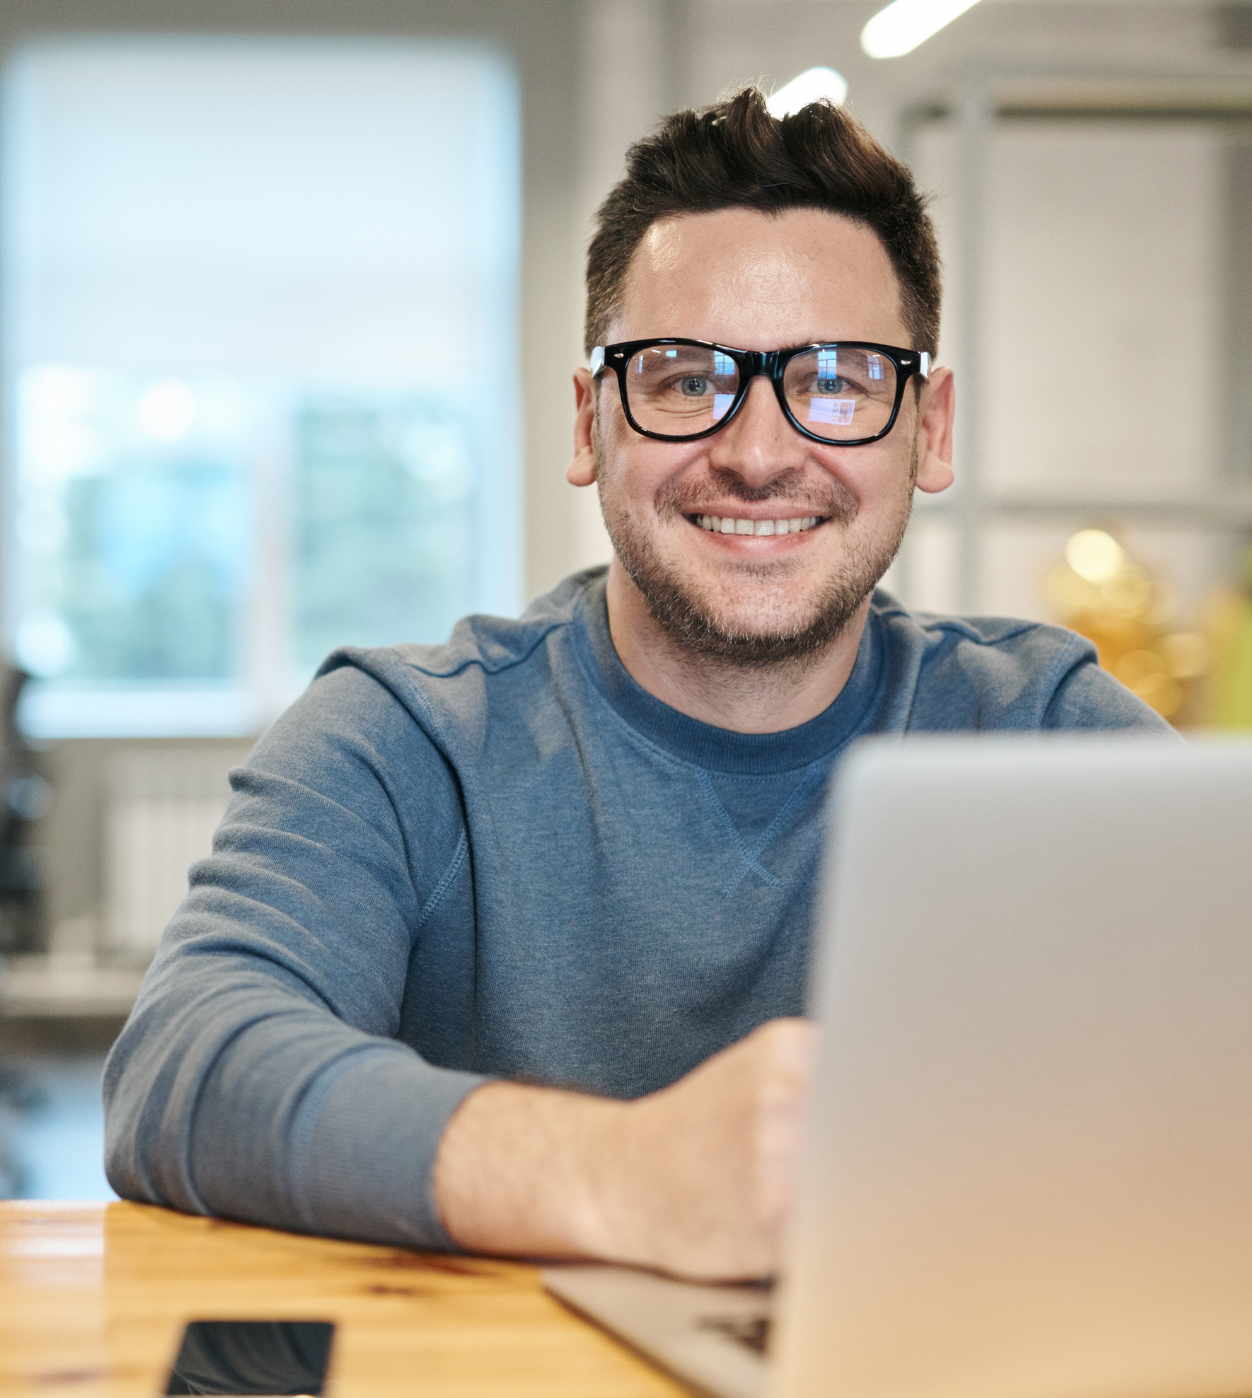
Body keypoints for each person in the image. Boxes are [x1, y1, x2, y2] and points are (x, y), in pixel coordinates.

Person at [102, 89, 1170, 1281]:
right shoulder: (404, 741)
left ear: (926, 426)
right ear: (587, 422)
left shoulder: (1046, 736)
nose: (759, 453)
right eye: (677, 378)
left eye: (835, 378)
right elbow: (188, 1069)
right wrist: (622, 1175)